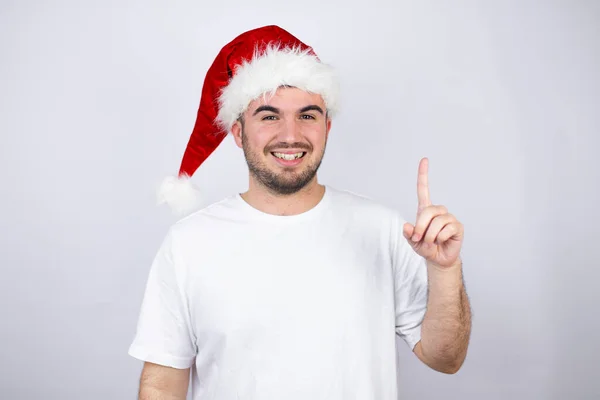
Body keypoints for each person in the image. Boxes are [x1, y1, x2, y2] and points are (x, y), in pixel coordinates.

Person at [128, 25, 471, 400]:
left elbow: (445, 358)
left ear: (326, 126)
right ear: (239, 132)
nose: (290, 135)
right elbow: (163, 384)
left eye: (307, 116)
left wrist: (444, 270)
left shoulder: (385, 230)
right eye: (269, 116)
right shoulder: (189, 244)